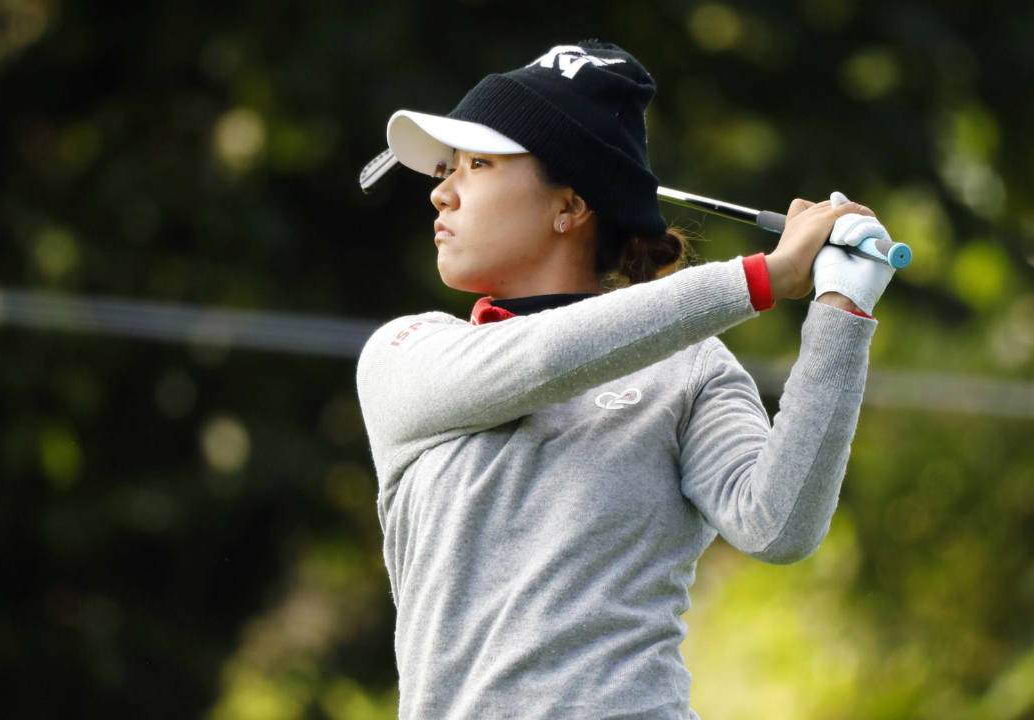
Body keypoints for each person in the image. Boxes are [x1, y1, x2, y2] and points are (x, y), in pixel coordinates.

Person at [356, 41, 896, 719]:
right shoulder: (404, 356)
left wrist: (841, 308)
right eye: (446, 169)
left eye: (478, 164)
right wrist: (762, 277)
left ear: (570, 204)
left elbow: (778, 524)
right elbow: (544, 359)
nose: (441, 191)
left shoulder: (690, 367)